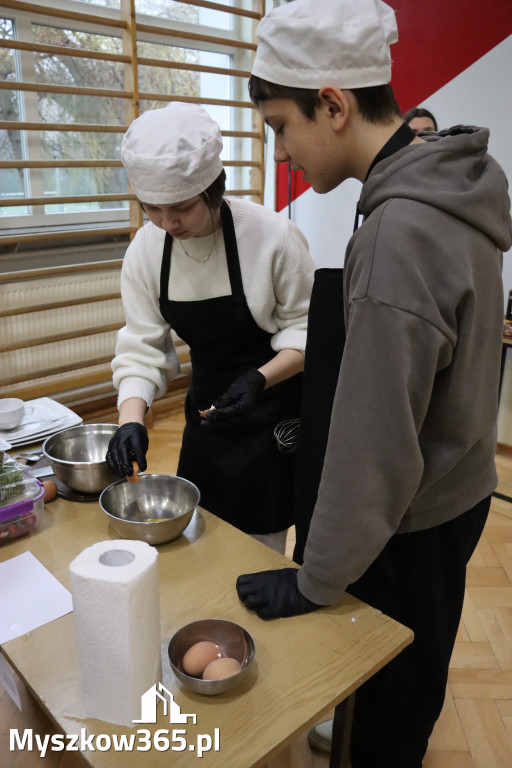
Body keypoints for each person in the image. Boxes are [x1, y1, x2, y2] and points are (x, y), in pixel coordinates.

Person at [234, 1, 512, 766]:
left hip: (417, 514)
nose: (284, 153)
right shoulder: (451, 180)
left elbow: (377, 443)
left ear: (333, 103)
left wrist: (317, 580)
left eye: (281, 128)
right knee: (414, 663)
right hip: (463, 479)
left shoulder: (397, 232)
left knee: (391, 701)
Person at [106, 102, 315, 553]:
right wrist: (130, 420)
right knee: (199, 541)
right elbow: (142, 346)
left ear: (213, 189)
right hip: (208, 419)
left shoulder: (272, 238)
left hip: (273, 415)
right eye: (152, 210)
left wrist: (260, 378)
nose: (168, 223)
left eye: (181, 208)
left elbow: (307, 330)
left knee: (260, 546)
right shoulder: (147, 250)